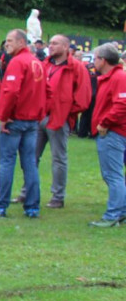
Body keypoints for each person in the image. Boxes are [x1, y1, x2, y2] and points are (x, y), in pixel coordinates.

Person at [0, 29, 47, 218]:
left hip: (16, 119)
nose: (7, 44)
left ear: (22, 42)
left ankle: (0, 205)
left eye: (10, 41)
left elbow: (11, 91)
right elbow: (46, 91)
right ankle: (32, 206)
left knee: (7, 162)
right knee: (30, 163)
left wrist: (4, 117)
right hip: (32, 120)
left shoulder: (17, 62)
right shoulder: (37, 63)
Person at [27, 35, 90, 209]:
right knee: (31, 156)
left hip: (59, 119)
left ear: (65, 47)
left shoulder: (76, 67)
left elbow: (83, 96)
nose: (51, 46)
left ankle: (58, 196)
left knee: (58, 158)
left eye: (55, 44)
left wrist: (66, 112)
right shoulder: (45, 64)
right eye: (51, 43)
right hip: (39, 116)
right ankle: (28, 191)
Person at [89, 44, 126, 227]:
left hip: (113, 132)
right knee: (115, 175)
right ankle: (121, 211)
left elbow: (122, 104)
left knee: (112, 175)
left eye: (95, 58)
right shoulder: (113, 77)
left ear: (103, 60)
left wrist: (104, 123)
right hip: (115, 131)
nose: (93, 62)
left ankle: (113, 215)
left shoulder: (118, 77)